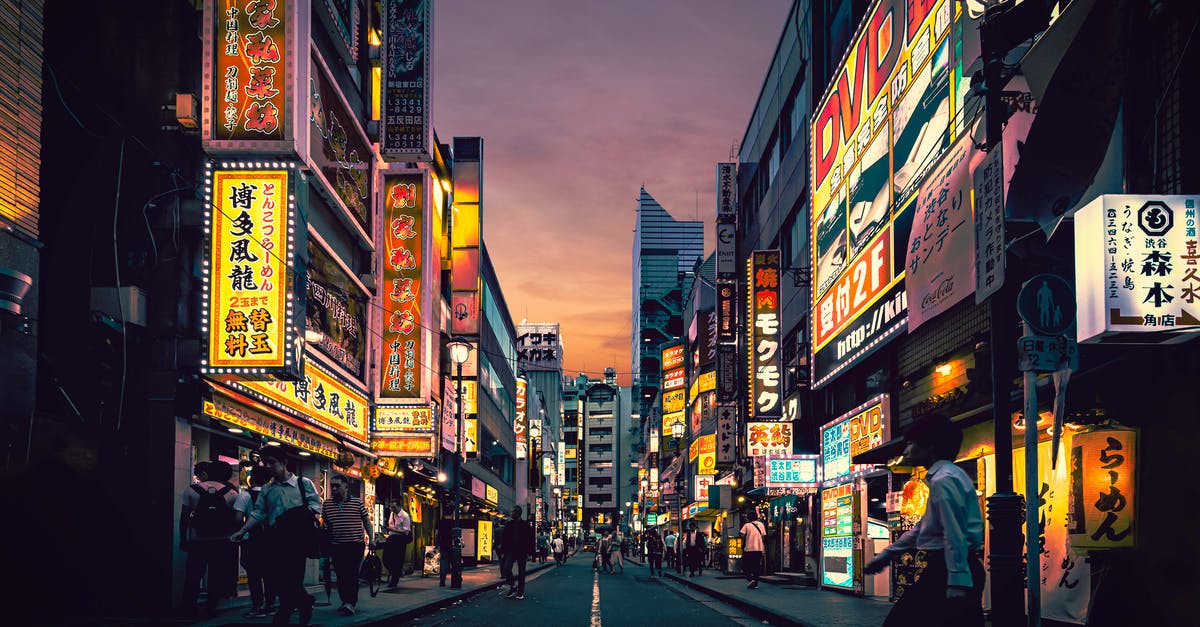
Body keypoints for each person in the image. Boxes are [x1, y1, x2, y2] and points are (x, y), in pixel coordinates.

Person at [864, 414, 985, 627]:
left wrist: (957, 579)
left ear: (930, 447)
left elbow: (953, 532)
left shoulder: (943, 480)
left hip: (947, 570)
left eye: (911, 443)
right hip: (952, 569)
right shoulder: (948, 476)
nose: (906, 450)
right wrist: (886, 556)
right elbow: (922, 529)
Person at [230, 447, 322, 626]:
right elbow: (259, 513)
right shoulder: (266, 490)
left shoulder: (304, 484)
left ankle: (284, 614)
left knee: (293, 579)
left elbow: (315, 506)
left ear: (284, 463)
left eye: (273, 462)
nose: (269, 466)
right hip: (274, 539)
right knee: (276, 579)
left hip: (297, 539)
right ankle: (304, 602)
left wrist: (294, 518)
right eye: (266, 463)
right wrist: (242, 531)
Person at [181, 460, 240, 616]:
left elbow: (184, 517)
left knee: (194, 574)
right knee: (216, 574)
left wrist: (183, 538)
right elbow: (236, 519)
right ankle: (211, 607)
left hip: (198, 540)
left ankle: (189, 607)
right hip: (222, 541)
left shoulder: (192, 490)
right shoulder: (231, 493)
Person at [322, 474, 372, 616]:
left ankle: (350, 602)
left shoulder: (357, 503)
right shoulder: (327, 504)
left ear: (346, 487)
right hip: (337, 545)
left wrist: (371, 538)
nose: (334, 488)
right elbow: (325, 522)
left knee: (352, 574)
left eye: (337, 485)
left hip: (355, 544)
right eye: (332, 486)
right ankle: (345, 601)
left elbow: (367, 521)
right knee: (341, 575)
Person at [233, 466, 276, 618]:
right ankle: (270, 604)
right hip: (272, 541)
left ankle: (257, 606)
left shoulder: (244, 496)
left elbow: (238, 518)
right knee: (270, 574)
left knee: (253, 575)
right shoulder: (274, 495)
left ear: (252, 478)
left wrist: (240, 533)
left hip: (251, 541)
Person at [501, 506, 534, 599]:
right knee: (506, 568)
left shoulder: (526, 525)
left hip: (522, 551)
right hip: (510, 550)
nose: (511, 514)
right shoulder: (509, 524)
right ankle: (513, 586)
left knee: (521, 572)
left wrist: (530, 552)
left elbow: (530, 539)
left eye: (512, 512)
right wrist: (503, 551)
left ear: (517, 513)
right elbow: (505, 538)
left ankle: (520, 592)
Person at [384, 498, 412, 586]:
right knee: (386, 559)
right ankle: (396, 572)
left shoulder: (405, 516)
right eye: (391, 507)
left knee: (397, 560)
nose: (392, 509)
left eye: (394, 507)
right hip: (391, 538)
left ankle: (394, 580)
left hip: (400, 540)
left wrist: (391, 529)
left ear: (400, 506)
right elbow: (390, 526)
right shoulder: (392, 514)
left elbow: (406, 531)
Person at [740, 508, 767, 589]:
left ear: (748, 518)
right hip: (759, 549)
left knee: (745, 566)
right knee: (756, 566)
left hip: (749, 548)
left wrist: (744, 542)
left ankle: (751, 579)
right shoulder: (761, 525)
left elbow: (742, 535)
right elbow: (763, 536)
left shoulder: (747, 525)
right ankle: (755, 583)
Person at [435, 508, 457, 587]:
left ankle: (442, 581)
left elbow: (436, 534)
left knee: (443, 563)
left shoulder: (440, 522)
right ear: (452, 514)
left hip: (443, 544)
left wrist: (436, 543)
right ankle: (454, 581)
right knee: (454, 564)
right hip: (452, 545)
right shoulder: (454, 523)